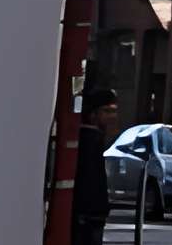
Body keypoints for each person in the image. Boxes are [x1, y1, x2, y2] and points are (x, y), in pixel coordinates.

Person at [72, 86, 118, 242]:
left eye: (114, 111)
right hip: (88, 216)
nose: (112, 116)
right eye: (106, 111)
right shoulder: (89, 140)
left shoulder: (96, 139)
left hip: (93, 215)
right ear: (93, 114)